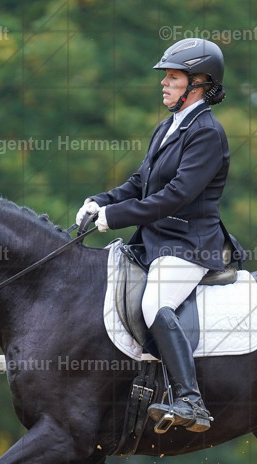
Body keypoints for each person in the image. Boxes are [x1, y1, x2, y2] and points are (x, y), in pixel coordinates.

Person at [76, 38, 229, 433]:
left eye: (173, 77)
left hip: (189, 245)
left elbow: (176, 195)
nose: (164, 84)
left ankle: (191, 401)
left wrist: (116, 215)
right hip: (153, 242)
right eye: (166, 77)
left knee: (154, 303)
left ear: (199, 84)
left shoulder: (207, 134)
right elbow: (140, 182)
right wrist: (100, 201)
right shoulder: (168, 126)